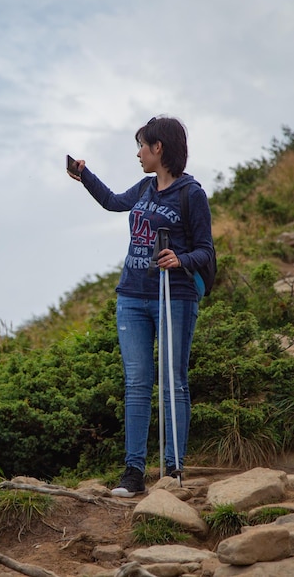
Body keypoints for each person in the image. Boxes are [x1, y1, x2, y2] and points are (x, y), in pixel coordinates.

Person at [67, 115, 214, 497]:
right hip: (131, 296)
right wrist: (85, 176)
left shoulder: (191, 193)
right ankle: (133, 473)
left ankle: (172, 470)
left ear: (158, 148)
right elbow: (114, 202)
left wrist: (180, 259)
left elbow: (206, 251)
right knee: (136, 384)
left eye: (141, 146)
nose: (138, 153)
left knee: (172, 382)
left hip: (174, 296)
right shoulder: (146, 187)